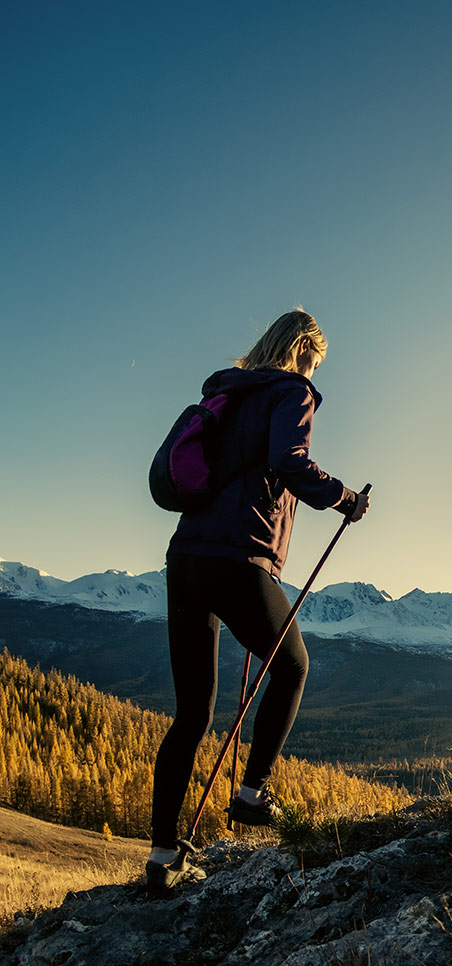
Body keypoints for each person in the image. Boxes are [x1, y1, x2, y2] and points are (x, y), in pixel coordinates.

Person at [148, 309, 370, 897]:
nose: (314, 371)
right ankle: (252, 794)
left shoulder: (226, 392)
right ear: (302, 349)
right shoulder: (291, 391)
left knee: (191, 713)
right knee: (293, 665)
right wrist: (343, 498)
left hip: (187, 555)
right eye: (314, 361)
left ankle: (163, 854)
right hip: (238, 554)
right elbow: (288, 462)